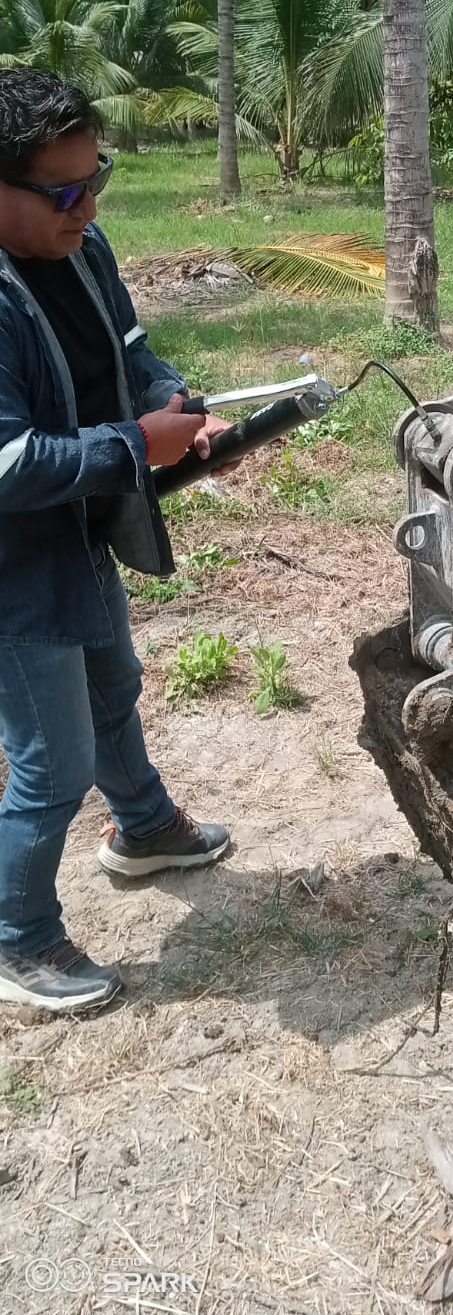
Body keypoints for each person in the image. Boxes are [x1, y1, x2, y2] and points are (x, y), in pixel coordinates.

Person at [0, 68, 232, 1014]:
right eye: (65, 193)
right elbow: (8, 463)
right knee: (51, 762)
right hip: (14, 570)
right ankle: (19, 938)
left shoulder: (82, 247)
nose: (88, 208)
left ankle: (144, 827)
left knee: (113, 686)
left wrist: (172, 403)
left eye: (96, 180)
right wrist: (137, 445)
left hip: (78, 530)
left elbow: (131, 351)